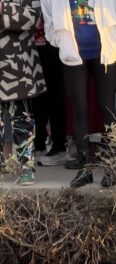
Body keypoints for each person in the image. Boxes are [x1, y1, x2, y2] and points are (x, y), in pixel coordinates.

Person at [42, 0, 116, 188]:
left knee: (108, 108)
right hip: (73, 55)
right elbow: (48, 17)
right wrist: (61, 42)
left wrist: (115, 37)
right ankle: (85, 168)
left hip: (105, 54)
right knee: (79, 109)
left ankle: (112, 167)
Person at [0, 0, 45, 186]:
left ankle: (26, 167)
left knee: (22, 117)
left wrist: (4, 9)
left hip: (17, 64)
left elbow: (35, 17)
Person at [32, 15, 69, 166]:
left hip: (53, 42)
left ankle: (59, 146)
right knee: (36, 96)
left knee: (54, 95)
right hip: (31, 43)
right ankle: (38, 144)